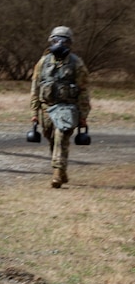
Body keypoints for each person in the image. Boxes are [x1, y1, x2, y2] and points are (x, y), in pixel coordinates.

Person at [30, 26, 91, 188]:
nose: (59, 43)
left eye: (63, 40)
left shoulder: (77, 64)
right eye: (56, 40)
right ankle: (61, 169)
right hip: (46, 108)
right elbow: (35, 88)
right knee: (51, 138)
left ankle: (57, 172)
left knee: (61, 135)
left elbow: (83, 90)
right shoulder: (43, 63)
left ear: (69, 43)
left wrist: (83, 115)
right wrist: (34, 112)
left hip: (67, 108)